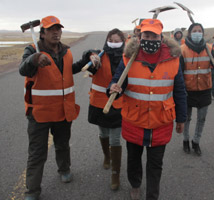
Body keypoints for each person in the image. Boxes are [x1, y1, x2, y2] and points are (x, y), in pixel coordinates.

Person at [19, 15, 100, 200]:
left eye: (58, 29)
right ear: (42, 33)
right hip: (39, 112)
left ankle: (64, 169)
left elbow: (73, 69)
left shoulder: (66, 52)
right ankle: (32, 191)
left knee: (63, 144)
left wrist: (90, 53)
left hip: (63, 110)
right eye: (51, 29)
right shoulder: (32, 50)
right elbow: (23, 69)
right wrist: (34, 60)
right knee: (37, 152)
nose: (56, 33)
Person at [108, 18, 187, 200]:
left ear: (161, 38)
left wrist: (181, 118)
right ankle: (135, 185)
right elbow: (117, 80)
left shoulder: (173, 60)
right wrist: (113, 88)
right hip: (134, 120)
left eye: (154, 35)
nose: (150, 39)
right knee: (134, 160)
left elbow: (180, 91)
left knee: (155, 163)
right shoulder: (128, 58)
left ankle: (152, 195)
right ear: (140, 36)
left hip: (161, 122)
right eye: (146, 35)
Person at [87, 28, 125, 190]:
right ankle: (106, 157)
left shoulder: (127, 58)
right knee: (103, 134)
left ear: (123, 42)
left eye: (117, 41)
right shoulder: (99, 56)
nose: (114, 43)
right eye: (112, 40)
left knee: (115, 139)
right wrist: (90, 57)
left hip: (118, 104)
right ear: (107, 40)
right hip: (99, 103)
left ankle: (115, 174)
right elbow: (88, 63)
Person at [180, 23, 214, 156]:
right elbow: (179, 72)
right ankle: (185, 140)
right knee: (186, 118)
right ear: (189, 33)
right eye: (194, 31)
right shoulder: (182, 50)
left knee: (202, 119)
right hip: (187, 90)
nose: (197, 33)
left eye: (200, 31)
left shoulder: (209, 48)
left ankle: (196, 142)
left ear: (203, 33)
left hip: (205, 88)